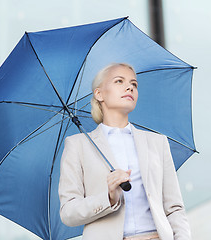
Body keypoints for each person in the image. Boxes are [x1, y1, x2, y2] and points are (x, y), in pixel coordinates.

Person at [59, 63, 191, 240]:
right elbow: (68, 212)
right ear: (99, 94)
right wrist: (108, 197)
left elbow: (174, 208)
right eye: (119, 81)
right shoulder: (78, 145)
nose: (130, 87)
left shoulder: (157, 142)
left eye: (134, 84)